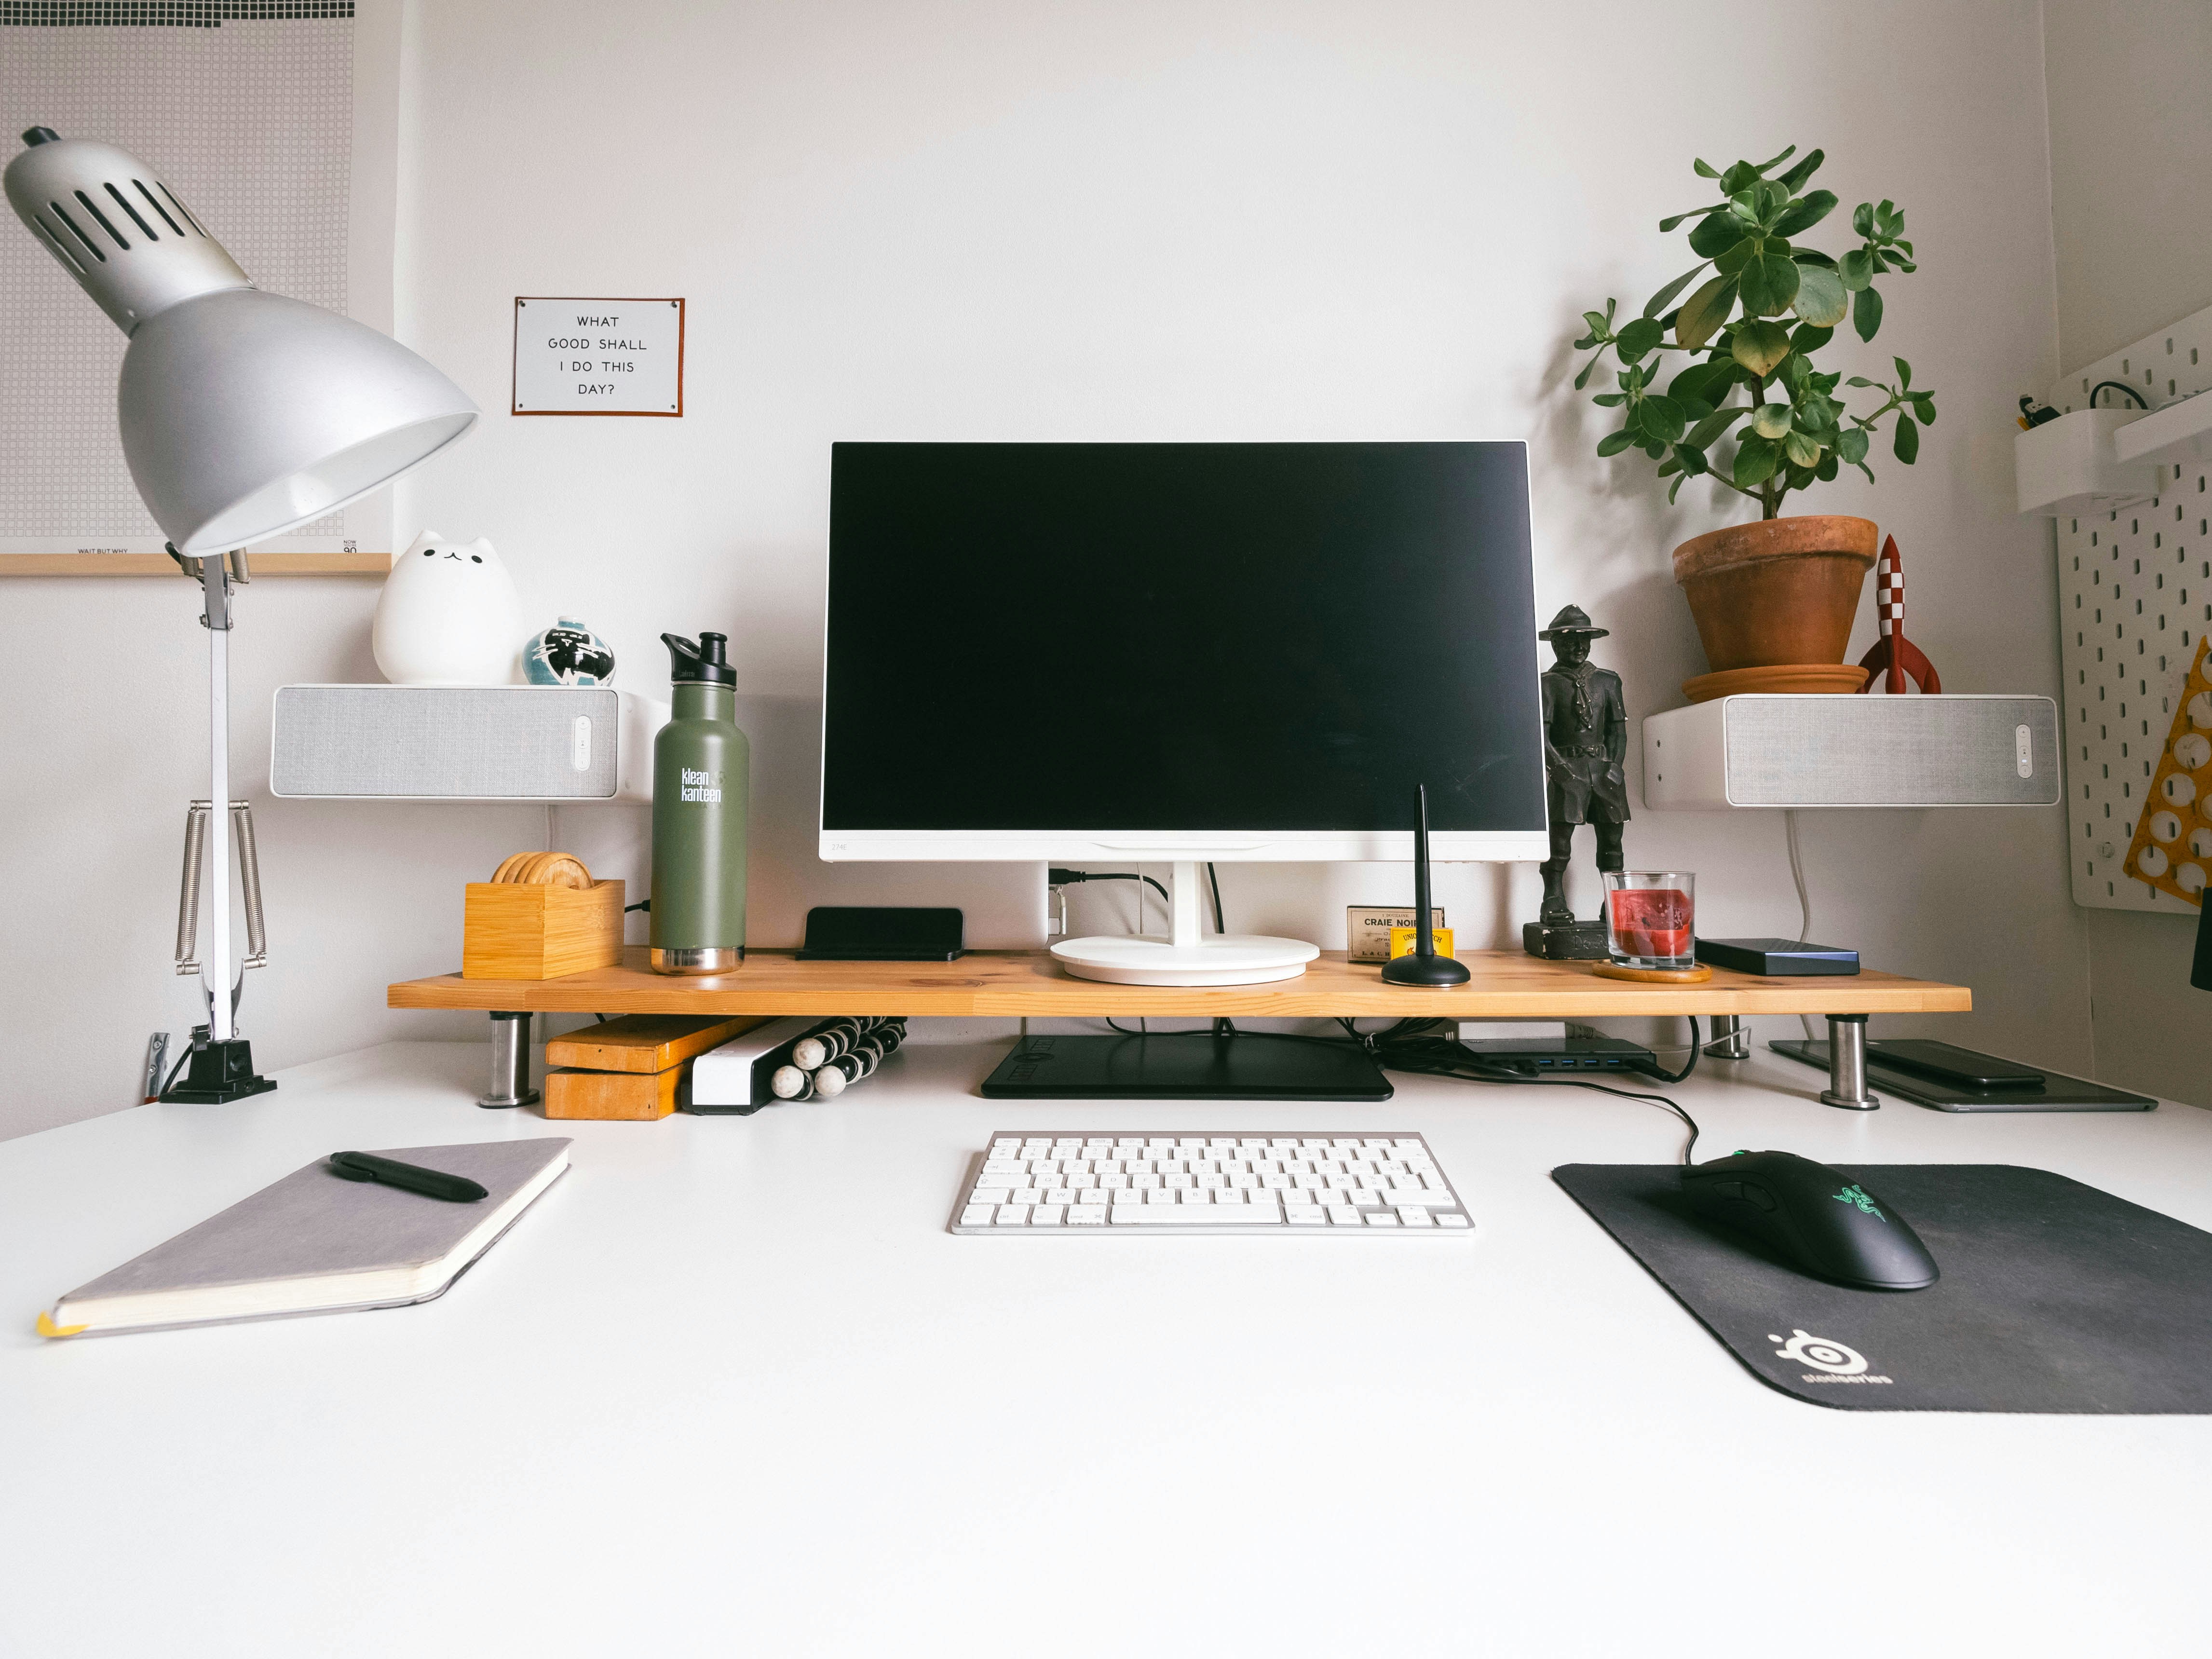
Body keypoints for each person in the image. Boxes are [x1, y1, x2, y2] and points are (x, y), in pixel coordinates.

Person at [1536, 605, 1628, 925]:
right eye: (1570, 641)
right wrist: (1559, 769)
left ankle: (1614, 903)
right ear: (1555, 645)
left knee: (1612, 845)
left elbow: (1618, 730)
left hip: (1604, 768)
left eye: (1583, 640)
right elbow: (1540, 733)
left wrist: (1614, 766)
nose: (1578, 647)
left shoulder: (1608, 681)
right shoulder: (1547, 684)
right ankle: (1552, 897)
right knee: (1558, 843)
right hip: (1567, 769)